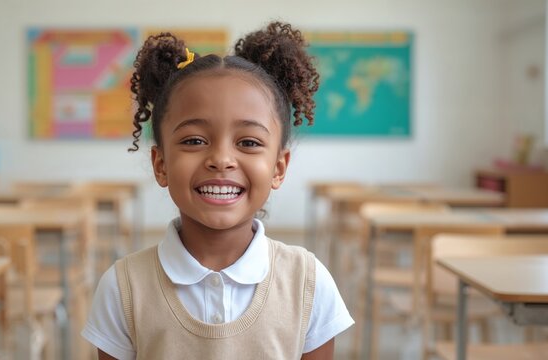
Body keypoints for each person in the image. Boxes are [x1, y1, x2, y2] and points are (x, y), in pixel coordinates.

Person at [82, 21, 353, 360]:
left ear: (278, 168)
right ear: (161, 164)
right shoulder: (123, 288)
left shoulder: (308, 283)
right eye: (194, 140)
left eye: (249, 142)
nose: (222, 159)